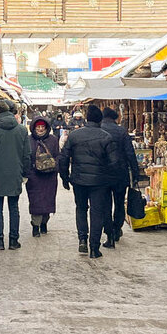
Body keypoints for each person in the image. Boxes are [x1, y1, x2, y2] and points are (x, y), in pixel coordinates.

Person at [58, 104, 120, 259]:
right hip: (99, 181)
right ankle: (94, 247)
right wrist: (111, 180)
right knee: (97, 212)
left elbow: (64, 158)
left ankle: (82, 240)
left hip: (79, 180)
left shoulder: (74, 135)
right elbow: (115, 162)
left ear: (86, 119)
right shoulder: (106, 137)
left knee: (81, 209)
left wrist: (65, 177)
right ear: (100, 120)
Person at [0, 98, 30, 250]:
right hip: (15, 173)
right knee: (14, 208)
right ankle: (14, 241)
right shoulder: (22, 130)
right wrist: (25, 173)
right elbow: (26, 154)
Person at [100, 107, 139, 249]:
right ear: (115, 118)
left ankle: (109, 234)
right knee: (119, 203)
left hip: (102, 174)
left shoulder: (99, 129)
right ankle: (117, 229)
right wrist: (135, 173)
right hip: (120, 173)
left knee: (105, 205)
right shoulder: (121, 131)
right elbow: (130, 153)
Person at [25, 115, 59, 236]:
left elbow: (57, 156)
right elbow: (25, 157)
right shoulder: (28, 140)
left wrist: (54, 166)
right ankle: (36, 226)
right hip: (34, 176)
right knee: (35, 201)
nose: (40, 129)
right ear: (33, 127)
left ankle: (44, 222)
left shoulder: (53, 140)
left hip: (49, 177)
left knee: (48, 200)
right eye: (38, 126)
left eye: (42, 127)